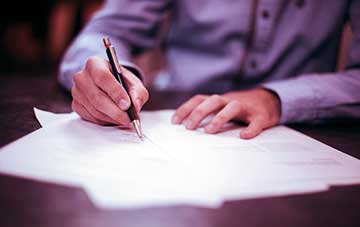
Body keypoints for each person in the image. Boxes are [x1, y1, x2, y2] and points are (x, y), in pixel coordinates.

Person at [59, 0, 360, 139]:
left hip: (305, 129)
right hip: (180, 120)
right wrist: (112, 75)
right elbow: (106, 31)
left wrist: (276, 98)